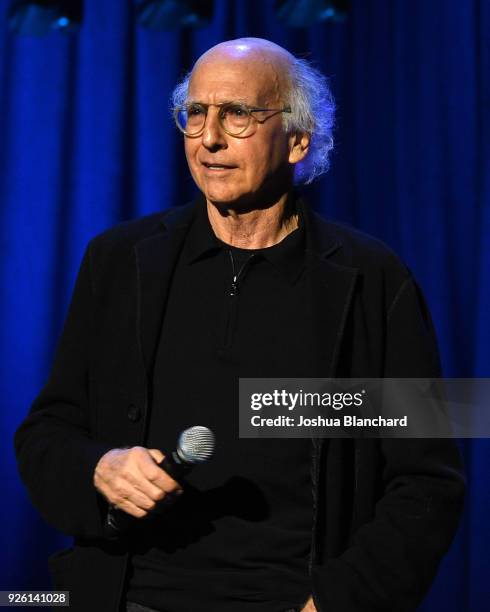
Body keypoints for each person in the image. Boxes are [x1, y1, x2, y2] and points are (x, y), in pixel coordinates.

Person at [15, 38, 465, 612]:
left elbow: (428, 482)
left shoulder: (374, 279)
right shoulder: (119, 260)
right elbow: (46, 434)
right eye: (195, 113)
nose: (209, 138)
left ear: (298, 139)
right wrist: (99, 468)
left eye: (238, 115)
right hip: (132, 596)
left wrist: (339, 601)